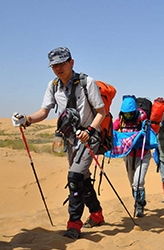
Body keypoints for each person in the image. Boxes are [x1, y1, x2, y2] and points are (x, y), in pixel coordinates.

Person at [12, 47, 105, 239]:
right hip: (70, 139)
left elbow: (101, 113)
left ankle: (74, 225)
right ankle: (96, 214)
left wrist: (89, 131)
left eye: (62, 63)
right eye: (54, 65)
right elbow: (44, 112)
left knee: (74, 177)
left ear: (72, 62)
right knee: (83, 177)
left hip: (90, 137)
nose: (58, 68)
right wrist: (26, 119)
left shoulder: (88, 83)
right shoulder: (53, 86)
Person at [113, 95, 151, 217]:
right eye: (126, 114)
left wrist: (146, 127)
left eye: (130, 114)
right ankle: (139, 200)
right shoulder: (121, 120)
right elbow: (112, 130)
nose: (128, 117)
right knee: (132, 183)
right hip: (128, 155)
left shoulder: (142, 117)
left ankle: (139, 206)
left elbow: (149, 124)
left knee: (138, 182)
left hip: (143, 154)